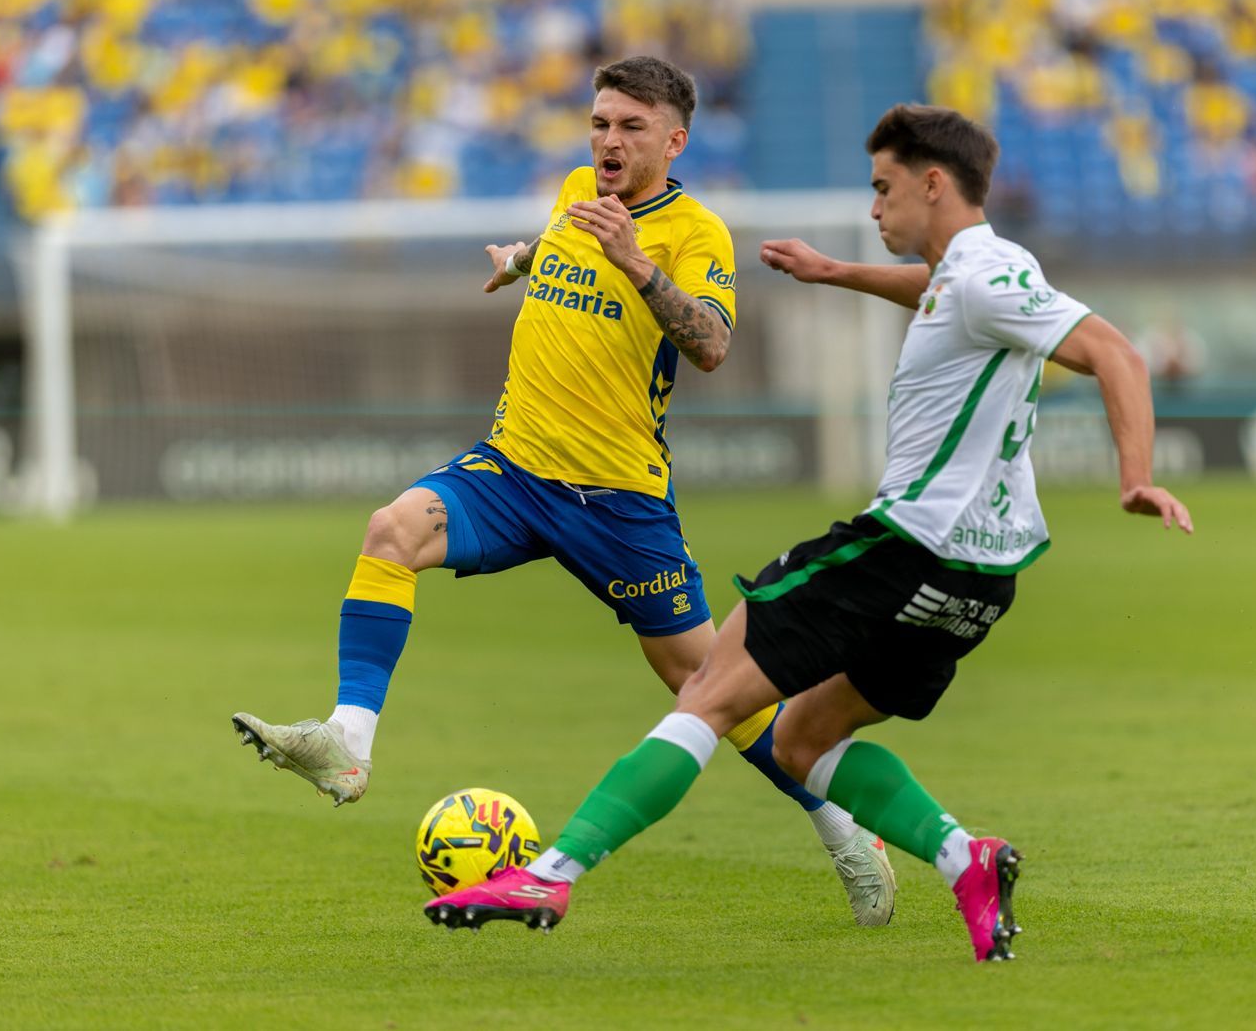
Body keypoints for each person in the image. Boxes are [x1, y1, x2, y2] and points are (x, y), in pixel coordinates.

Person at [423, 103, 1193, 962]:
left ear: (932, 184)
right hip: (982, 581)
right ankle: (962, 858)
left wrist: (1137, 477)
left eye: (883, 188)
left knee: (709, 692)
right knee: (801, 739)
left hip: (904, 548)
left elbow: (1117, 353)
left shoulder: (982, 275)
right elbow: (938, 291)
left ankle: (551, 872)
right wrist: (836, 273)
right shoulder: (984, 272)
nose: (874, 208)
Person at [231, 56, 896, 927]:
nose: (608, 141)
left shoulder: (696, 232)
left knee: (709, 691)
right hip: (513, 467)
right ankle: (347, 743)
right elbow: (566, 245)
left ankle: (842, 824)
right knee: (393, 528)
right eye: (599, 123)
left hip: (617, 500)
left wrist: (636, 264)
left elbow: (711, 344)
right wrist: (523, 259)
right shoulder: (578, 189)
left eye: (629, 127)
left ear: (674, 139)